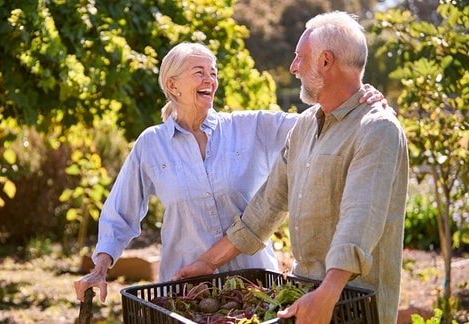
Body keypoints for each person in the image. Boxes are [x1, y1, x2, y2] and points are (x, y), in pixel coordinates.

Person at [73, 41, 387, 304]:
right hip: (188, 289)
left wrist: (358, 100)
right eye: (199, 73)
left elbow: (320, 123)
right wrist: (100, 268)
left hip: (255, 286)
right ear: (172, 85)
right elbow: (119, 214)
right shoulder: (151, 144)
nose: (210, 79)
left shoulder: (251, 127)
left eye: (213, 73)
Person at [173, 12, 409, 324]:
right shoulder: (305, 126)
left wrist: (327, 294)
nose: (293, 67)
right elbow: (266, 208)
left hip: (353, 305)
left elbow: (360, 219)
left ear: (325, 61)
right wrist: (207, 262)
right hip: (304, 296)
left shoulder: (376, 129)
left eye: (300, 57)